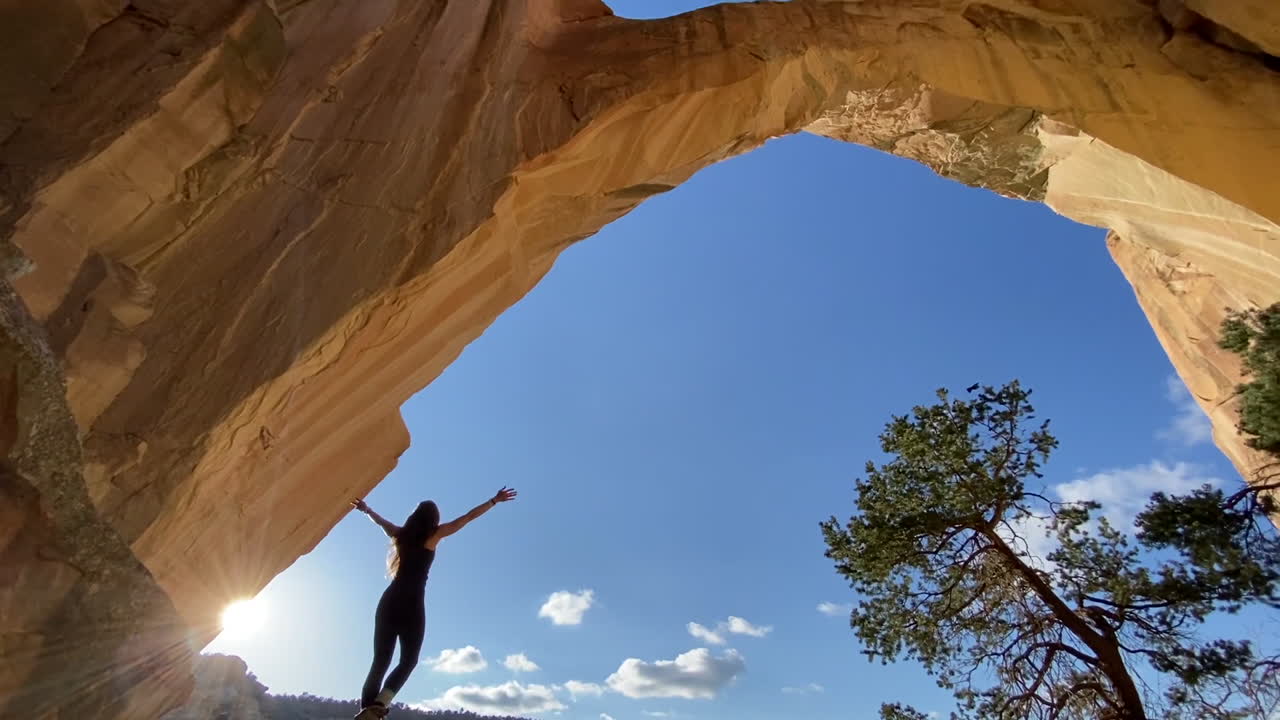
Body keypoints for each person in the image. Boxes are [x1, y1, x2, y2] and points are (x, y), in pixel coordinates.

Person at [348, 487, 518, 719]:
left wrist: (365, 509)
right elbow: (466, 518)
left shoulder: (400, 535)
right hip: (412, 604)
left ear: (414, 517)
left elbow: (380, 521)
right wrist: (493, 501)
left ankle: (367, 710)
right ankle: (378, 706)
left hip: (389, 601)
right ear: (433, 520)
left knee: (380, 660)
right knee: (408, 661)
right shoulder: (434, 536)